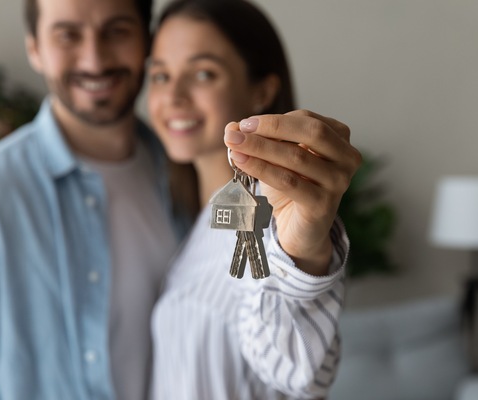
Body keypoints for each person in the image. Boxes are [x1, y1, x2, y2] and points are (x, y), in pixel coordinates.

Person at [0, 0, 357, 398]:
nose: (95, 59)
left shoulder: (242, 206)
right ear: (35, 47)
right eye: (67, 34)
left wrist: (302, 254)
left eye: (204, 73)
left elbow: (294, 363)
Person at [146, 0, 361, 399]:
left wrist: (301, 253)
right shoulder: (197, 218)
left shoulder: (266, 217)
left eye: (203, 73)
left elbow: (299, 372)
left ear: (262, 90)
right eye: (160, 75)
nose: (173, 95)